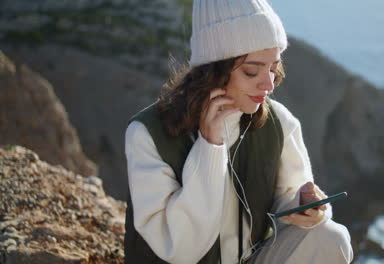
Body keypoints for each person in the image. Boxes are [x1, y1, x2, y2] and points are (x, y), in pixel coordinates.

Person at [124, 0, 353, 263]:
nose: (268, 84)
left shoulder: (279, 120)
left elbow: (289, 198)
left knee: (331, 237)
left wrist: (304, 206)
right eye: (251, 71)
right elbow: (180, 250)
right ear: (214, 70)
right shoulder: (146, 134)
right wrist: (210, 147)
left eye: (272, 67)